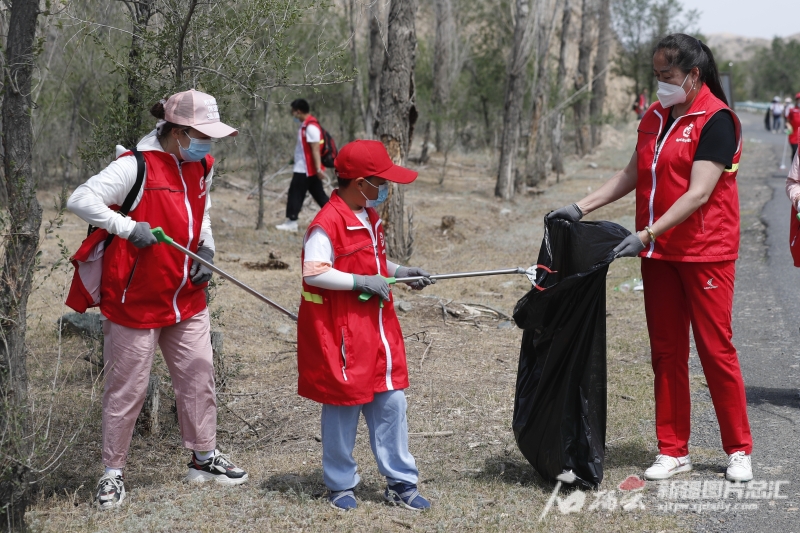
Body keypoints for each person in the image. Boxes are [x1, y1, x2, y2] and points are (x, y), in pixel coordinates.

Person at [548, 34, 753, 483]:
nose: (661, 83)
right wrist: (581, 207)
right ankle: (673, 449)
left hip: (705, 253)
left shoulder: (717, 120)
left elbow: (699, 192)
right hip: (659, 255)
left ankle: (738, 449)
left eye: (668, 76)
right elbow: (632, 173)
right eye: (657, 76)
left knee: (715, 349)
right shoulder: (656, 115)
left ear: (694, 75)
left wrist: (645, 233)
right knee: (666, 352)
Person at [67, 89, 248, 510]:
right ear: (179, 131)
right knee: (127, 388)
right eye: (202, 135)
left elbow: (200, 211)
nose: (208, 143)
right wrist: (127, 228)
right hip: (134, 299)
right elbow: (81, 199)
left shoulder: (201, 163)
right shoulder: (134, 165)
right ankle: (112, 474)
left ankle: (204, 458)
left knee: (199, 374)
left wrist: (206, 249)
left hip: (185, 295)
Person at [297, 140, 434, 511]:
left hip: (378, 332)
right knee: (343, 406)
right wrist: (360, 282)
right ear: (359, 183)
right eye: (381, 182)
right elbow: (315, 272)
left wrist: (400, 272)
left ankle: (401, 482)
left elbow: (375, 263)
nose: (386, 190)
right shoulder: (326, 223)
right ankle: (340, 484)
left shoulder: (370, 216)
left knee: (392, 403)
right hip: (345, 334)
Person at [276, 98, 330, 232]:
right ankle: (339, 216)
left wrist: (318, 168)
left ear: (298, 111)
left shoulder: (311, 127)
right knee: (320, 196)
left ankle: (292, 222)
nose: (292, 114)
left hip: (306, 170)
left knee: (295, 193)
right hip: (303, 167)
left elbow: (315, 149)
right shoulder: (304, 125)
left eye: (293, 111)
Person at [786, 92, 800, 160]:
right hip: (793, 135)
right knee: (795, 152)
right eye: (798, 99)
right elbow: (787, 121)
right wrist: (788, 126)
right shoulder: (792, 110)